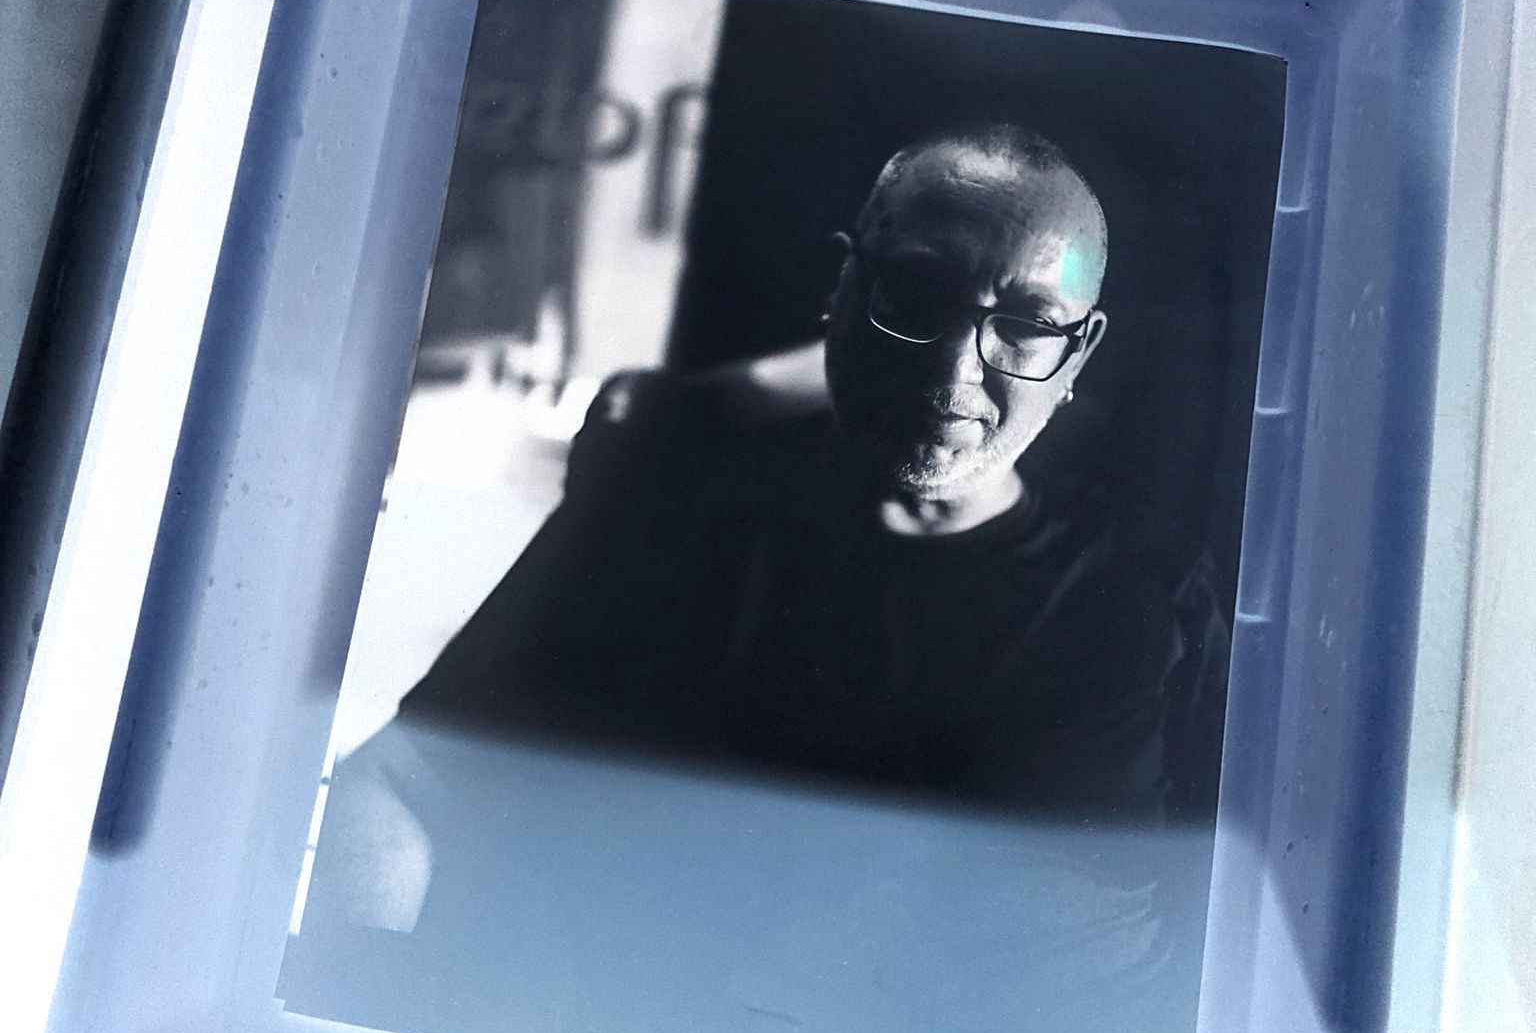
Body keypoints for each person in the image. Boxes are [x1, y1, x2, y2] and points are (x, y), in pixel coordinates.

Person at [370, 122, 1229, 829]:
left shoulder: (1151, 595)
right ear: (844, 287)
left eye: (1028, 326)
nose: (955, 371)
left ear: (1079, 352)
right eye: (915, 294)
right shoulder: (673, 505)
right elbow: (411, 776)